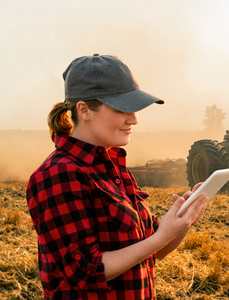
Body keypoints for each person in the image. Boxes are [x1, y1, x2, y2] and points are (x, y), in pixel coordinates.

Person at [26, 54, 208, 300]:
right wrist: (162, 235)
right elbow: (85, 272)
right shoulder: (58, 174)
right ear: (84, 110)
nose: (134, 119)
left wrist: (183, 222)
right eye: (122, 108)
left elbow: (149, 252)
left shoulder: (114, 168)